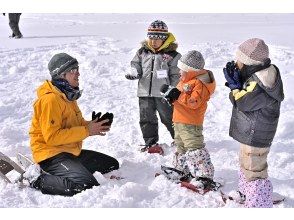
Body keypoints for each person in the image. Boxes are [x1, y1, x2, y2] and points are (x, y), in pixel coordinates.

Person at [25, 53, 119, 196]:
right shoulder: (50, 100)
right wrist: (87, 130)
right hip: (51, 156)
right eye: (73, 70)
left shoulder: (67, 96)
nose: (78, 73)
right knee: (85, 185)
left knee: (112, 165)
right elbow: (52, 137)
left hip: (69, 152)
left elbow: (77, 124)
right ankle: (36, 179)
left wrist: (95, 125)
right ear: (61, 75)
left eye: (77, 69)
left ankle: (72, 169)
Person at [223, 38, 284, 207]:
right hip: (252, 132)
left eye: (240, 61)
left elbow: (242, 102)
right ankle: (248, 193)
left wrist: (235, 87)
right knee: (246, 164)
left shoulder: (259, 83)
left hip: (255, 134)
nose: (237, 63)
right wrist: (240, 81)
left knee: (254, 171)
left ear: (250, 63)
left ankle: (259, 203)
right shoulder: (259, 74)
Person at [160, 50, 216, 188]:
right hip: (179, 120)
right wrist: (171, 97)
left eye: (182, 70)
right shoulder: (186, 80)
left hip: (191, 122)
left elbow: (194, 102)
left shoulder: (199, 84)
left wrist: (177, 96)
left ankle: (205, 176)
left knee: (194, 148)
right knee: (180, 146)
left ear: (191, 71)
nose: (179, 72)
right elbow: (180, 98)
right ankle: (181, 169)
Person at [126, 20, 181, 153]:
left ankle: (180, 140)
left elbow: (176, 74)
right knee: (146, 119)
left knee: (169, 118)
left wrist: (172, 89)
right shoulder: (142, 52)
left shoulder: (172, 55)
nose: (153, 41)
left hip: (163, 94)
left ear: (165, 39)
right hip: (144, 92)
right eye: (151, 37)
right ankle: (150, 143)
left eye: (157, 38)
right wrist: (135, 72)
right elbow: (135, 64)